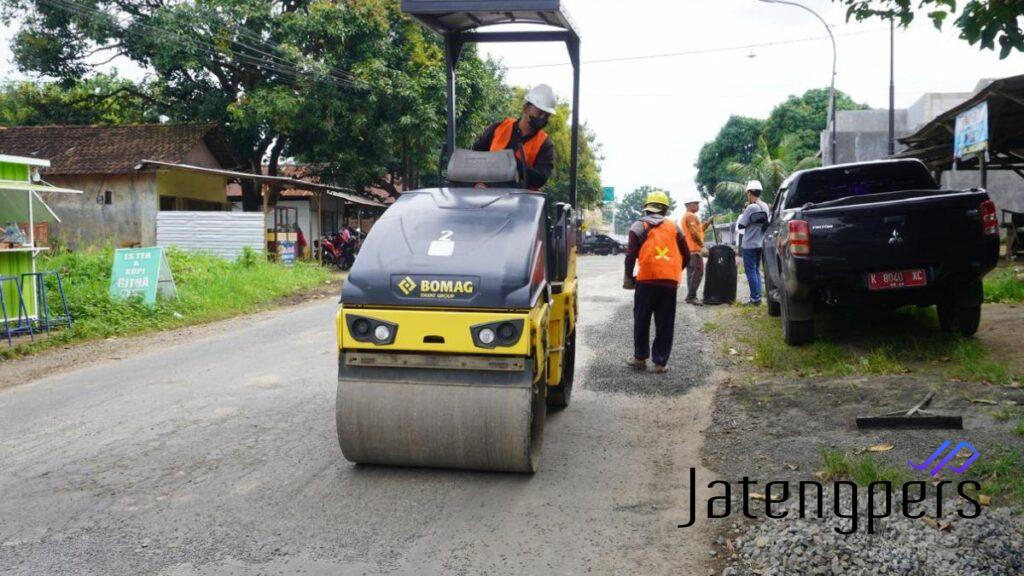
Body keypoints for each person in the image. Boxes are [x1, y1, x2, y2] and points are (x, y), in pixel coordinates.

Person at [623, 191, 691, 374]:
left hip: (646, 280)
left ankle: (639, 358)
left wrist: (629, 277)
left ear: (647, 208)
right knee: (665, 322)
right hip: (669, 282)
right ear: (665, 210)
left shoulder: (638, 226)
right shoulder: (675, 227)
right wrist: (674, 270)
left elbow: (630, 255)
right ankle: (660, 363)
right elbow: (687, 255)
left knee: (641, 319)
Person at [472, 84, 557, 190]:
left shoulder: (545, 144)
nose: (543, 118)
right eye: (540, 113)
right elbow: (475, 157)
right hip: (487, 194)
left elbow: (540, 179)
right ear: (526, 108)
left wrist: (513, 163)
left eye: (547, 115)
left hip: (522, 201)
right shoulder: (498, 128)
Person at [736, 180, 771, 306]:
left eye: (748, 193)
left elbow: (741, 224)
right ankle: (758, 298)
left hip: (749, 244)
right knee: (756, 270)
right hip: (760, 243)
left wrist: (745, 211)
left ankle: (755, 299)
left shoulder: (751, 207)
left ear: (750, 193)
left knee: (751, 271)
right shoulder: (765, 206)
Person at [679, 191, 713, 305]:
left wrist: (707, 223)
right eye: (695, 203)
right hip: (694, 250)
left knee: (691, 274)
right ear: (688, 205)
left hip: (688, 250)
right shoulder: (690, 216)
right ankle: (691, 296)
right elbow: (694, 233)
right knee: (698, 273)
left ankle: (690, 296)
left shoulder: (688, 217)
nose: (698, 206)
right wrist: (702, 246)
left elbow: (698, 231)